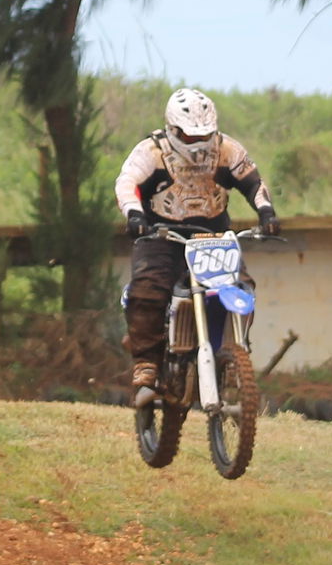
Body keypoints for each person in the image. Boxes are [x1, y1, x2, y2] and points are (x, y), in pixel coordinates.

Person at [114, 88, 281, 390]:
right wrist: (134, 215)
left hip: (213, 236)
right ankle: (147, 363)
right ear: (173, 129)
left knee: (240, 289)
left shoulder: (228, 150)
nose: (199, 142)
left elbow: (253, 182)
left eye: (205, 135)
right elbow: (127, 183)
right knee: (148, 289)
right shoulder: (150, 152)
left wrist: (266, 212)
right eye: (191, 137)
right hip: (161, 236)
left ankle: (234, 353)